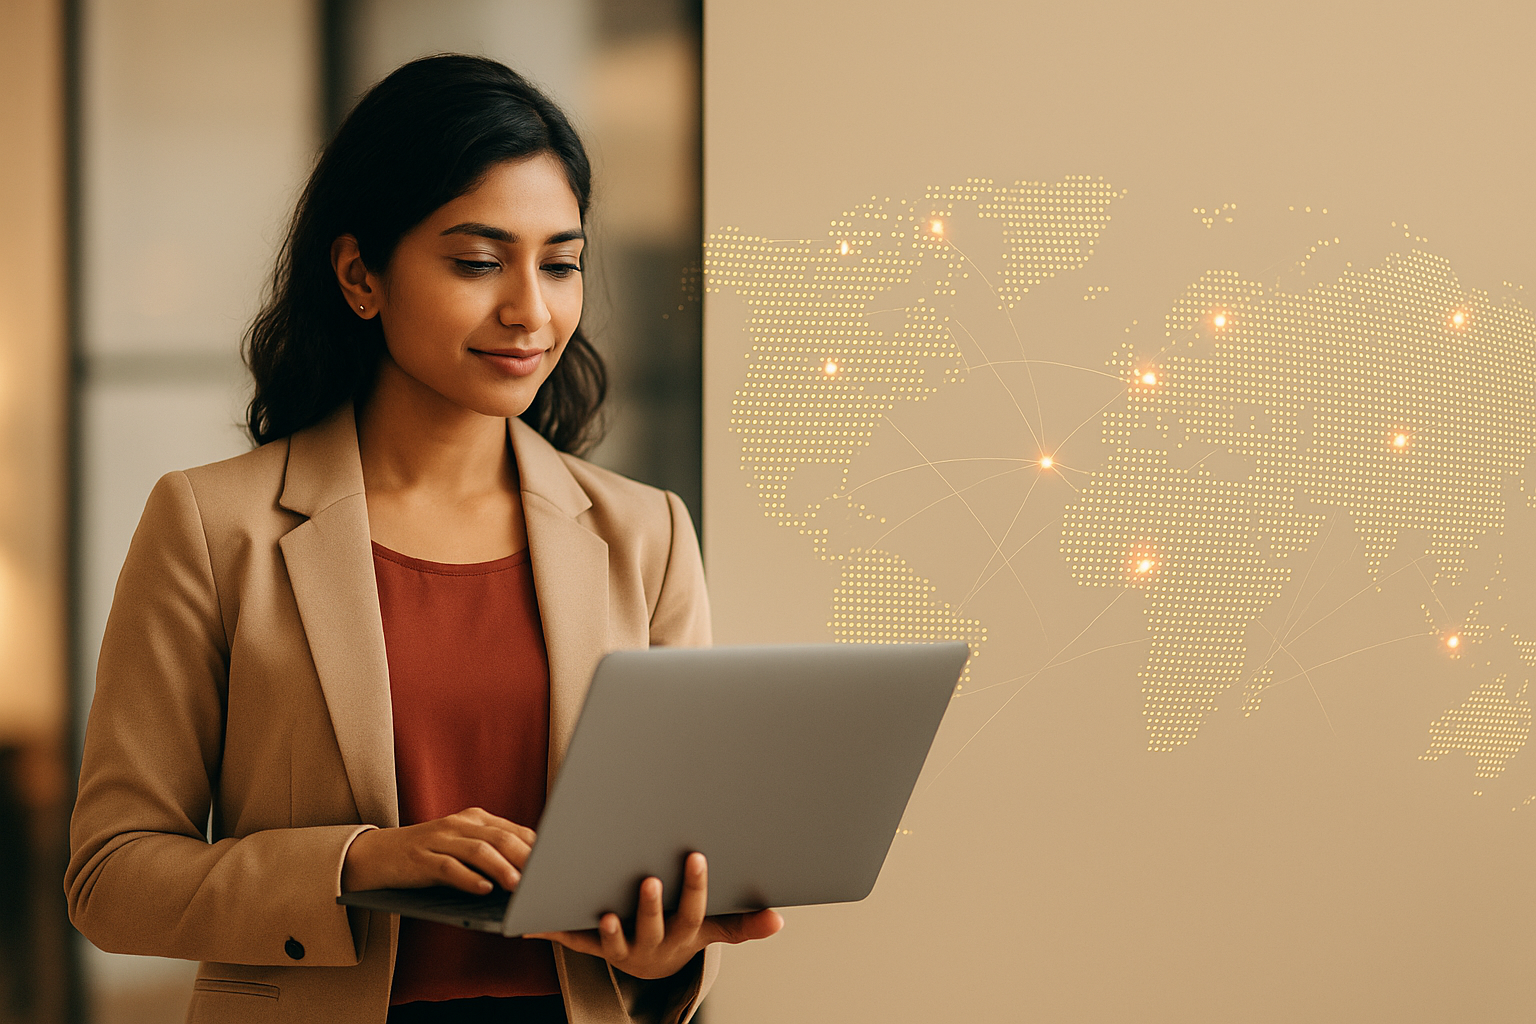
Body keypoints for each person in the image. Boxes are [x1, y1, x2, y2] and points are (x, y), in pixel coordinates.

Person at [65, 54, 782, 1024]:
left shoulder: (644, 532)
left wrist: (661, 955)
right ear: (361, 274)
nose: (532, 309)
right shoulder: (210, 524)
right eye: (479, 261)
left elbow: (670, 867)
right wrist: (359, 861)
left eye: (561, 262)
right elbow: (111, 875)